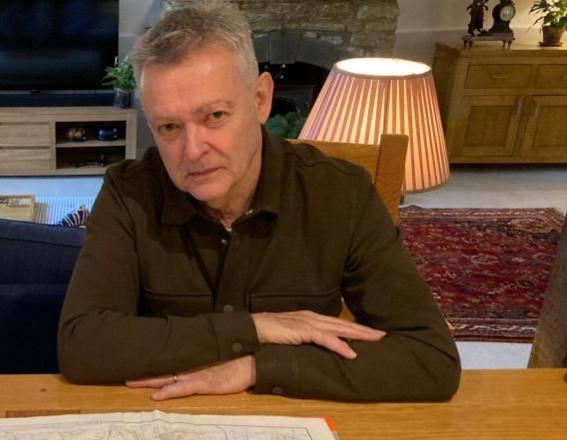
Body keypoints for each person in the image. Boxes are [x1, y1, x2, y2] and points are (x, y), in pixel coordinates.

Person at [58, 0, 459, 402]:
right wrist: (256, 328)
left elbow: (430, 357)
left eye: (214, 116)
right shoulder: (128, 193)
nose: (192, 150)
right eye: (169, 126)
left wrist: (255, 367)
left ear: (261, 100)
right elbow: (82, 346)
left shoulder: (342, 194)